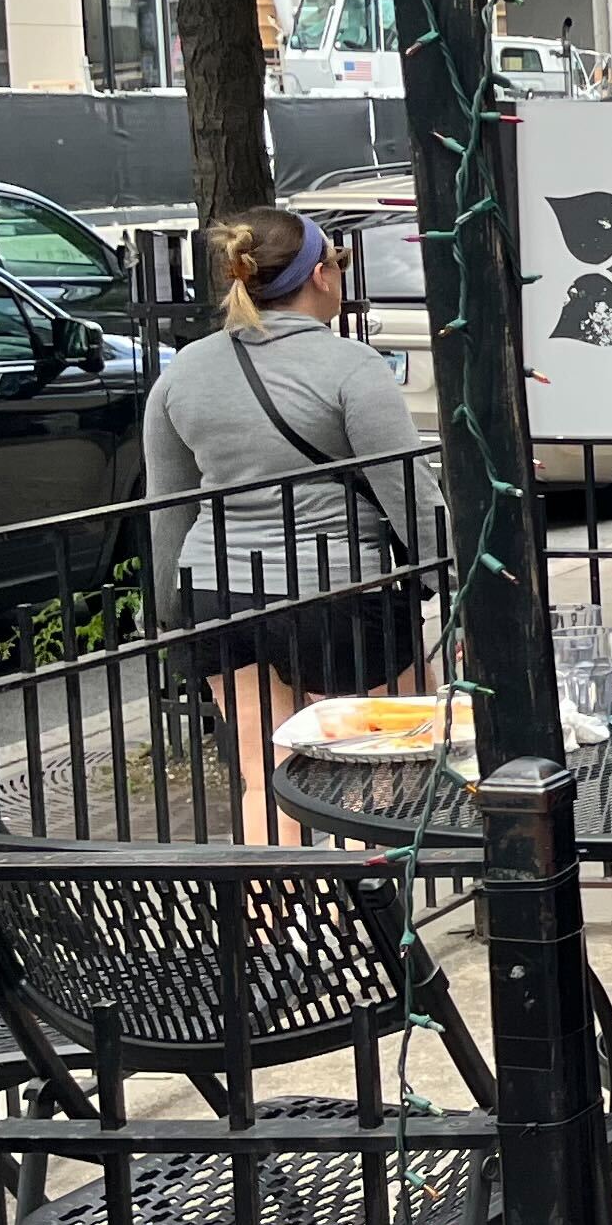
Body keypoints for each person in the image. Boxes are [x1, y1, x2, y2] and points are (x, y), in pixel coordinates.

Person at [146, 205, 429, 835]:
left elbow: (169, 504)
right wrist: (459, 578)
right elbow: (407, 489)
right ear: (321, 277)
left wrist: (173, 610)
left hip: (216, 589)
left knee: (264, 770)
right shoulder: (352, 367)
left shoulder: (183, 370)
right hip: (333, 589)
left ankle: (278, 923)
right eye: (338, 262)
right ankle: (366, 918)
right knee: (377, 768)